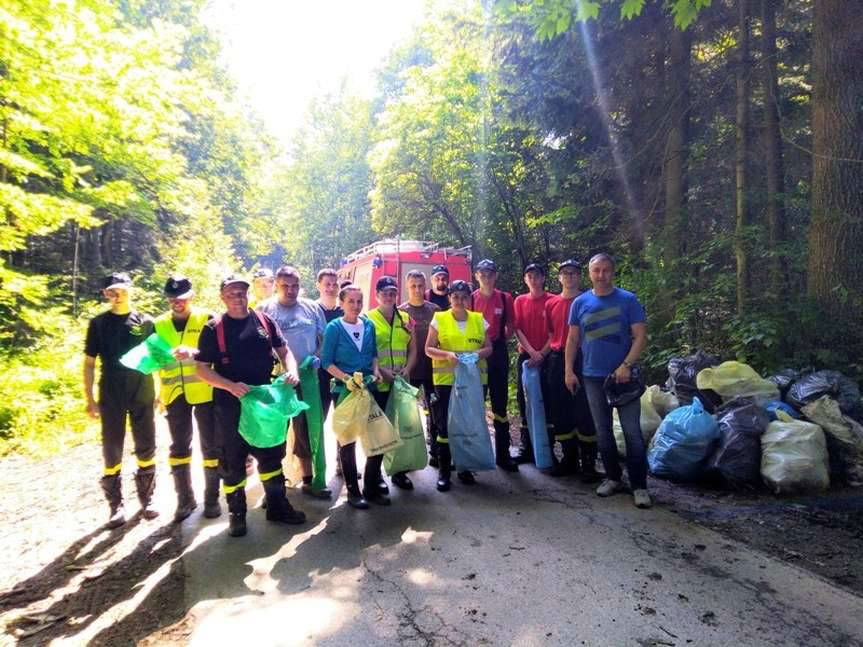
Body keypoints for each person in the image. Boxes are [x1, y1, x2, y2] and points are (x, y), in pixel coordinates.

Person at [196, 274, 306, 537]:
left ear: (248, 294)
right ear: (223, 297)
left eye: (241, 292)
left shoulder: (264, 321)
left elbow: (284, 351)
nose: (237, 297)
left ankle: (277, 507)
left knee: (271, 454)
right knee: (232, 459)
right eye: (231, 293)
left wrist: (292, 371)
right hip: (230, 403)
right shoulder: (213, 328)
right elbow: (201, 370)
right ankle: (237, 515)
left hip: (264, 401)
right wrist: (229, 385)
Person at [565, 253, 650, 509]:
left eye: (606, 270)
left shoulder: (628, 300)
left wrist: (626, 365)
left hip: (623, 377)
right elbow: (573, 339)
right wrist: (568, 370)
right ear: (590, 273)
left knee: (632, 432)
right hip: (592, 376)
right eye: (596, 270)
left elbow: (641, 336)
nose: (601, 275)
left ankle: (639, 486)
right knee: (602, 432)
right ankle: (613, 477)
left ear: (613, 272)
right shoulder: (580, 303)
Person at [83, 272, 158, 528]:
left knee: (146, 443)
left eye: (122, 290)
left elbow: (158, 357)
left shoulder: (146, 321)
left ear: (130, 290)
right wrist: (90, 399)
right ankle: (116, 506)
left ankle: (147, 499)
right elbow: (89, 364)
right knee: (112, 445)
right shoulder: (98, 324)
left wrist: (162, 391)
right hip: (111, 389)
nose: (117, 295)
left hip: (142, 386)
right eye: (112, 291)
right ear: (106, 294)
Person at [259, 266, 331, 499]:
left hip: (308, 379)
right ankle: (273, 485)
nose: (290, 290)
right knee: (274, 432)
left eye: (295, 286)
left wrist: (317, 357)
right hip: (277, 381)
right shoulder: (264, 310)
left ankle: (309, 479)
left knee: (307, 429)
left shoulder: (312, 308)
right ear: (276, 286)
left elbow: (324, 339)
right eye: (285, 286)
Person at [154, 276, 221, 522]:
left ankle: (212, 499)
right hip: (174, 394)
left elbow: (219, 351)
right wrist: (156, 393)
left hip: (205, 391)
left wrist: (193, 352)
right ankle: (184, 499)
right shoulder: (158, 324)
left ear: (191, 296)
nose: (177, 302)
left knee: (211, 445)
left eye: (181, 298)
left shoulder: (207, 318)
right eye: (172, 298)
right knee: (179, 446)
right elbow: (152, 358)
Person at [320, 284, 389, 509]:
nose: (356, 305)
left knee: (378, 438)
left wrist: (376, 371)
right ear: (341, 303)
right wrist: (346, 378)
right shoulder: (334, 328)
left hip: (369, 388)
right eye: (351, 301)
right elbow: (326, 361)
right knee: (348, 441)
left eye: (359, 301)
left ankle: (370, 486)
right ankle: (353, 492)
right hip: (345, 391)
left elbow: (374, 354)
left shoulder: (368, 324)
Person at [425, 280, 493, 491]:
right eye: (455, 297)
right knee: (444, 426)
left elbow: (489, 348)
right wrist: (447, 355)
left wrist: (476, 355)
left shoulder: (479, 319)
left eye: (464, 297)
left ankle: (465, 467)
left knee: (467, 424)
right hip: (446, 382)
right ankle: (444, 472)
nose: (460, 301)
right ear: (449, 298)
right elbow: (428, 348)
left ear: (469, 299)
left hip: (473, 382)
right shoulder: (439, 319)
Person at [544, 260, 600, 481]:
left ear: (580, 276)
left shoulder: (589, 301)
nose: (569, 276)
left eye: (574, 273)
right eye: (565, 273)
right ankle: (569, 458)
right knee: (560, 409)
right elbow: (551, 333)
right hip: (557, 359)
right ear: (559, 277)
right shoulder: (551, 303)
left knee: (585, 410)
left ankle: (588, 463)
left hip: (584, 359)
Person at [367, 276, 417, 490]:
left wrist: (408, 369)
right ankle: (374, 476)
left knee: (401, 429)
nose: (389, 297)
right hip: (379, 384)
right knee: (379, 432)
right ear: (377, 295)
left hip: (401, 384)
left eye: (392, 293)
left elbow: (413, 348)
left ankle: (399, 471)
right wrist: (382, 371)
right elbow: (366, 353)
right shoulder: (368, 319)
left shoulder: (405, 318)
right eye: (385, 293)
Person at [471, 259, 519, 472]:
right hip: (477, 353)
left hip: (498, 352)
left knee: (500, 404)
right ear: (476, 276)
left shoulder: (504, 298)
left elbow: (511, 325)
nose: (486, 278)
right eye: (482, 274)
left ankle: (503, 454)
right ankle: (474, 454)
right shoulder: (471, 298)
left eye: (490, 274)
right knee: (476, 402)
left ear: (495, 276)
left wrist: (500, 339)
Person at [399, 270, 441, 467]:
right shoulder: (401, 312)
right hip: (410, 371)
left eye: (420, 286)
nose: (417, 290)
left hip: (433, 370)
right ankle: (408, 455)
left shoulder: (435, 310)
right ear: (407, 287)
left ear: (426, 287)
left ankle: (436, 452)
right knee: (407, 415)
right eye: (413, 286)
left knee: (435, 412)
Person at [513, 263, 554, 466]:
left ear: (543, 278)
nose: (533, 279)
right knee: (524, 401)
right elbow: (517, 329)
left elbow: (555, 332)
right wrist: (531, 352)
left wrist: (542, 354)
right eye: (529, 276)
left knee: (548, 402)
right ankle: (526, 449)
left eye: (536, 275)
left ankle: (548, 451)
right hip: (526, 358)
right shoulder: (519, 301)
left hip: (549, 358)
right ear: (525, 279)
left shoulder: (553, 300)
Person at [315, 268, 343, 420]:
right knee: (318, 419)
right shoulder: (311, 310)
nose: (331, 288)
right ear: (318, 286)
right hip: (318, 373)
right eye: (327, 284)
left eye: (335, 284)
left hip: (342, 371)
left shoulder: (345, 310)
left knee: (346, 420)